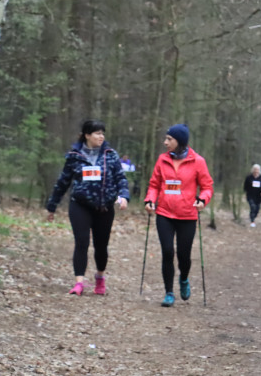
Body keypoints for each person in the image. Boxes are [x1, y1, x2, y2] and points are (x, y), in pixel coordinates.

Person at [45, 119, 130, 296]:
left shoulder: (110, 154)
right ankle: (79, 283)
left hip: (104, 207)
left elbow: (120, 178)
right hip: (80, 205)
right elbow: (63, 182)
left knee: (101, 245)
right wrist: (52, 206)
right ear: (87, 135)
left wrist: (124, 196)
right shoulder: (74, 156)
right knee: (81, 242)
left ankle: (100, 277)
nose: (101, 136)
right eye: (98, 133)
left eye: (102, 133)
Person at [144, 124, 214, 307]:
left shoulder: (198, 161)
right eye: (166, 138)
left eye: (169, 139)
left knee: (184, 255)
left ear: (180, 141)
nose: (165, 142)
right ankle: (168, 292)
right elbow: (154, 184)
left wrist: (202, 200)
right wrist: (150, 200)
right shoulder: (162, 160)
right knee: (167, 252)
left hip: (187, 215)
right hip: (164, 213)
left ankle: (184, 278)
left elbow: (207, 186)